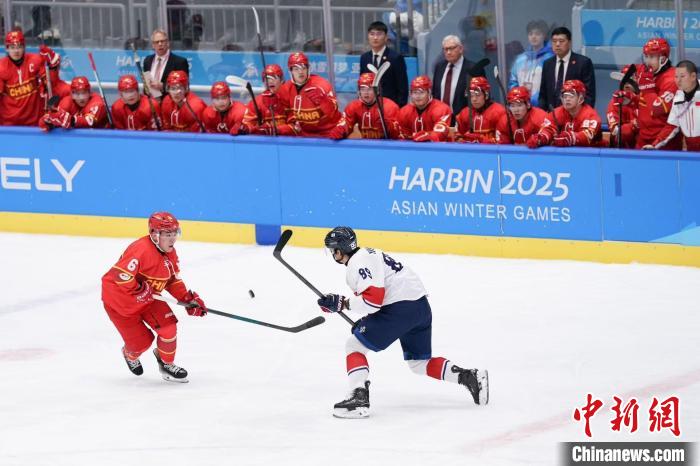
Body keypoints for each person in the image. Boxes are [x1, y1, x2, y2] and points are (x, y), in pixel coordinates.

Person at [316, 226, 489, 418]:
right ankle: (470, 377)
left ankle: (358, 398)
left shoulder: (358, 262)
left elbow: (373, 301)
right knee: (418, 363)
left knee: (354, 346)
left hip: (399, 310)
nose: (333, 254)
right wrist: (361, 316)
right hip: (420, 307)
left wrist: (343, 303)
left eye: (332, 250)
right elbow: (380, 298)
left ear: (339, 250)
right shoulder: (370, 254)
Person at [101, 212, 207, 383]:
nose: (172, 239)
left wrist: (187, 299)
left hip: (148, 298)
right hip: (121, 303)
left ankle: (166, 364)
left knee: (169, 328)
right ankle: (129, 354)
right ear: (154, 234)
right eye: (167, 234)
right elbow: (120, 276)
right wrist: (138, 290)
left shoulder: (169, 252)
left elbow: (172, 279)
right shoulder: (140, 249)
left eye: (174, 234)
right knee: (141, 344)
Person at [277, 52, 347, 139]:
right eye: (296, 69)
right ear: (290, 71)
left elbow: (333, 113)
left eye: (303, 68)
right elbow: (288, 118)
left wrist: (324, 101)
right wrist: (278, 129)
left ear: (308, 69)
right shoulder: (285, 89)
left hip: (329, 132)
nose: (301, 72)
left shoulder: (322, 85)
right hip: (305, 134)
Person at [634, 37, 681, 150]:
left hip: (664, 141)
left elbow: (657, 109)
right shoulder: (650, 74)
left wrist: (647, 88)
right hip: (643, 135)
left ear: (663, 59)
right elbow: (644, 102)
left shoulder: (672, 80)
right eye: (646, 56)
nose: (648, 61)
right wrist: (632, 98)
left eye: (652, 57)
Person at [0, 30, 53, 126]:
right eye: (12, 47)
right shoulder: (1, 67)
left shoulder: (36, 60)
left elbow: (50, 86)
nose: (16, 51)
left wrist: (52, 67)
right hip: (8, 124)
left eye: (19, 47)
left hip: (34, 122)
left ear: (24, 47)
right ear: (7, 48)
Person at [529, 79, 601, 148]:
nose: (567, 99)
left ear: (581, 99)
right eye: (565, 96)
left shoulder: (590, 115)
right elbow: (548, 129)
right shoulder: (556, 113)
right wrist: (542, 137)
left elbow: (587, 135)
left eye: (571, 95)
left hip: (590, 156)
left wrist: (571, 138)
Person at [645, 60, 700, 151]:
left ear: (693, 76)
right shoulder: (678, 97)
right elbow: (671, 126)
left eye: (682, 76)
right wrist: (654, 145)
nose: (678, 80)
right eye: (676, 76)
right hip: (691, 149)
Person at [538, 27, 595, 110]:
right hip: (552, 116)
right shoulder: (548, 64)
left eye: (561, 41)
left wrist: (582, 116)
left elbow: (589, 95)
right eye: (554, 41)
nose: (557, 44)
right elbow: (543, 94)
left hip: (575, 115)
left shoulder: (583, 62)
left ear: (569, 42)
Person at [431, 35, 486, 116]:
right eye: (445, 49)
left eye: (452, 48)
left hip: (465, 119)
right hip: (441, 119)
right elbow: (435, 93)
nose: (448, 52)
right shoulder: (439, 67)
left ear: (461, 49)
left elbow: (480, 97)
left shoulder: (474, 69)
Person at [359, 21, 409, 107]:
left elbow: (402, 88)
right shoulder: (364, 58)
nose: (375, 38)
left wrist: (399, 108)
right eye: (372, 34)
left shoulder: (395, 58)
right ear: (368, 37)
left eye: (379, 34)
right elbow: (361, 84)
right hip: (370, 106)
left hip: (390, 106)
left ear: (386, 37)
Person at [240, 64, 295, 136]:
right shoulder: (257, 101)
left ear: (282, 80)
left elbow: (296, 127)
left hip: (287, 143)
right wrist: (246, 128)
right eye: (266, 78)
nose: (269, 81)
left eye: (273, 78)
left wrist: (277, 130)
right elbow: (248, 123)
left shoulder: (291, 98)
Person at [508, 20, 553, 107]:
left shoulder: (550, 58)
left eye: (537, 34)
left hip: (543, 107)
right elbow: (513, 82)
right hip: (521, 107)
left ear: (544, 36)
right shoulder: (520, 59)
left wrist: (538, 101)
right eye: (530, 34)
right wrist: (518, 99)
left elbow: (551, 85)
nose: (533, 37)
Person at [344, 72, 401, 139]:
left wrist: (389, 125)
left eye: (369, 89)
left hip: (385, 146)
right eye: (362, 89)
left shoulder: (390, 107)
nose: (366, 92)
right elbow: (345, 127)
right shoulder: (353, 106)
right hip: (365, 146)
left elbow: (398, 135)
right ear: (359, 91)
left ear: (377, 91)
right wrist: (341, 130)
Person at [39, 76, 108, 130]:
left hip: (101, 139)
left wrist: (72, 120)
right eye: (77, 94)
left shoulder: (97, 102)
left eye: (84, 93)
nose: (81, 98)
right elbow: (53, 119)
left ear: (89, 92)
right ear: (71, 94)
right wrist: (49, 122)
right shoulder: (66, 102)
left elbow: (89, 122)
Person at [398, 75, 451, 142]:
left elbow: (440, 134)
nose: (417, 96)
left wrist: (429, 136)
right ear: (410, 94)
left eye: (421, 92)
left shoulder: (442, 109)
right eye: (414, 92)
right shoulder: (404, 111)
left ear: (429, 93)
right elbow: (402, 137)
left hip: (437, 150)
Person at [455, 76, 507, 143]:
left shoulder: (499, 112)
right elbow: (457, 137)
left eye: (478, 95)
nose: (474, 99)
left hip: (492, 153)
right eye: (471, 95)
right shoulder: (464, 113)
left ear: (486, 95)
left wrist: (480, 139)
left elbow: (503, 142)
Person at [142, 29, 189, 100]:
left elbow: (184, 87)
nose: (160, 44)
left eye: (162, 41)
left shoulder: (180, 62)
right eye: (157, 42)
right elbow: (146, 85)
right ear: (153, 45)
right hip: (151, 103)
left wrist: (163, 86)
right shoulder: (147, 61)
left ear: (167, 43)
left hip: (170, 103)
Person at [605, 65, 639, 149]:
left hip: (644, 151)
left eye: (631, 80)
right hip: (620, 152)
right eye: (624, 80)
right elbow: (617, 132)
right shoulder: (614, 102)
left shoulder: (646, 100)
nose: (627, 83)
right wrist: (634, 125)